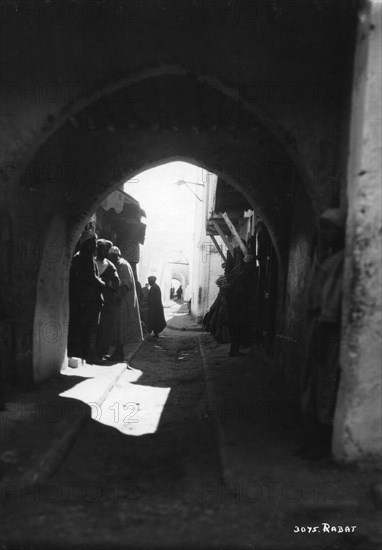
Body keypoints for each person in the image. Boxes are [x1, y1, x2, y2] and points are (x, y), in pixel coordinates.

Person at [298, 207, 346, 459]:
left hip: (326, 328)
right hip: (318, 324)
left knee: (324, 383)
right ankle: (312, 440)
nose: (325, 233)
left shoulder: (341, 261)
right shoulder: (329, 258)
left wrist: (322, 330)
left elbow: (333, 300)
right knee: (312, 382)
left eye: (330, 228)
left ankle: (321, 444)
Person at [68, 229, 105, 363]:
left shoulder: (84, 256)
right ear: (88, 243)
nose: (95, 246)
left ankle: (85, 353)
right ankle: (88, 355)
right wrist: (102, 283)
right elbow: (91, 278)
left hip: (85, 299)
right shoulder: (85, 257)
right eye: (94, 243)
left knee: (85, 328)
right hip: (86, 300)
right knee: (88, 328)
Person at [108, 246, 143, 361]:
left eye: (113, 256)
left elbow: (125, 285)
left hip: (124, 301)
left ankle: (119, 354)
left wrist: (117, 297)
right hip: (120, 300)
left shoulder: (123, 265)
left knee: (122, 327)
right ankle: (118, 353)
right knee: (118, 327)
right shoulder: (118, 264)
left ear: (117, 255)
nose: (111, 258)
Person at [96, 239, 120, 358]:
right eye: (99, 248)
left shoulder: (110, 267)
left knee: (104, 327)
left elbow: (116, 284)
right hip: (91, 301)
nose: (100, 251)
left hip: (106, 302)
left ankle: (101, 352)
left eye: (103, 249)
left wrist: (104, 282)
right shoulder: (91, 262)